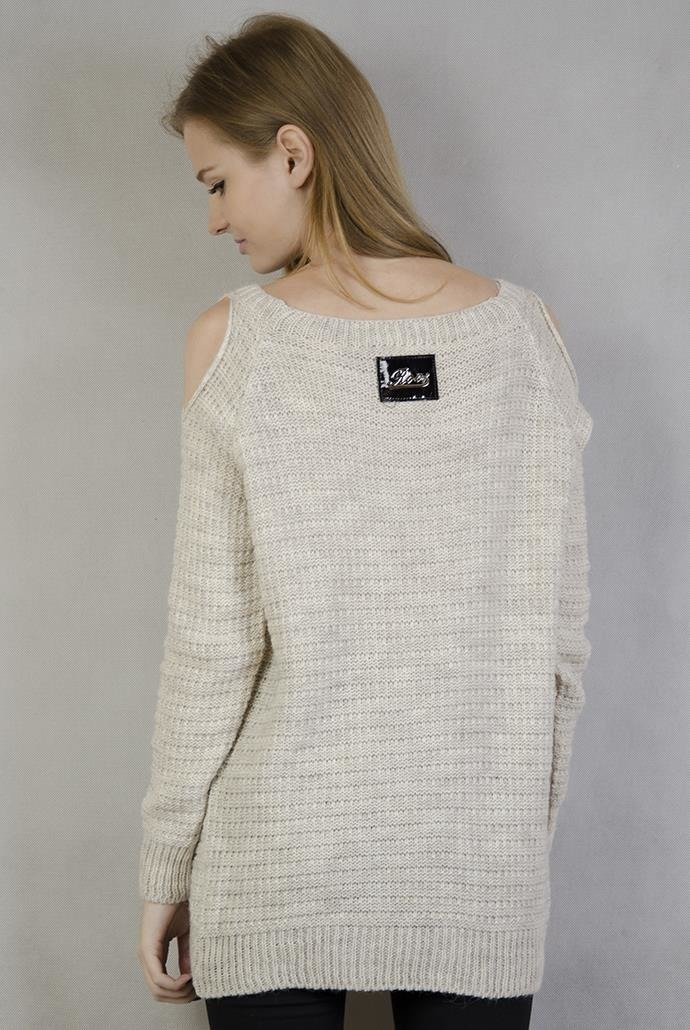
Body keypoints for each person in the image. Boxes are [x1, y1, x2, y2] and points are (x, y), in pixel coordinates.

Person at [136, 13, 593, 1030]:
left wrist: (166, 865)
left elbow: (213, 646)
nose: (214, 219)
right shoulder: (530, 338)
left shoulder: (233, 346)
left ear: (293, 153)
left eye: (218, 182)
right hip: (478, 864)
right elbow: (559, 649)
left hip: (275, 863)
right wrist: (511, 845)